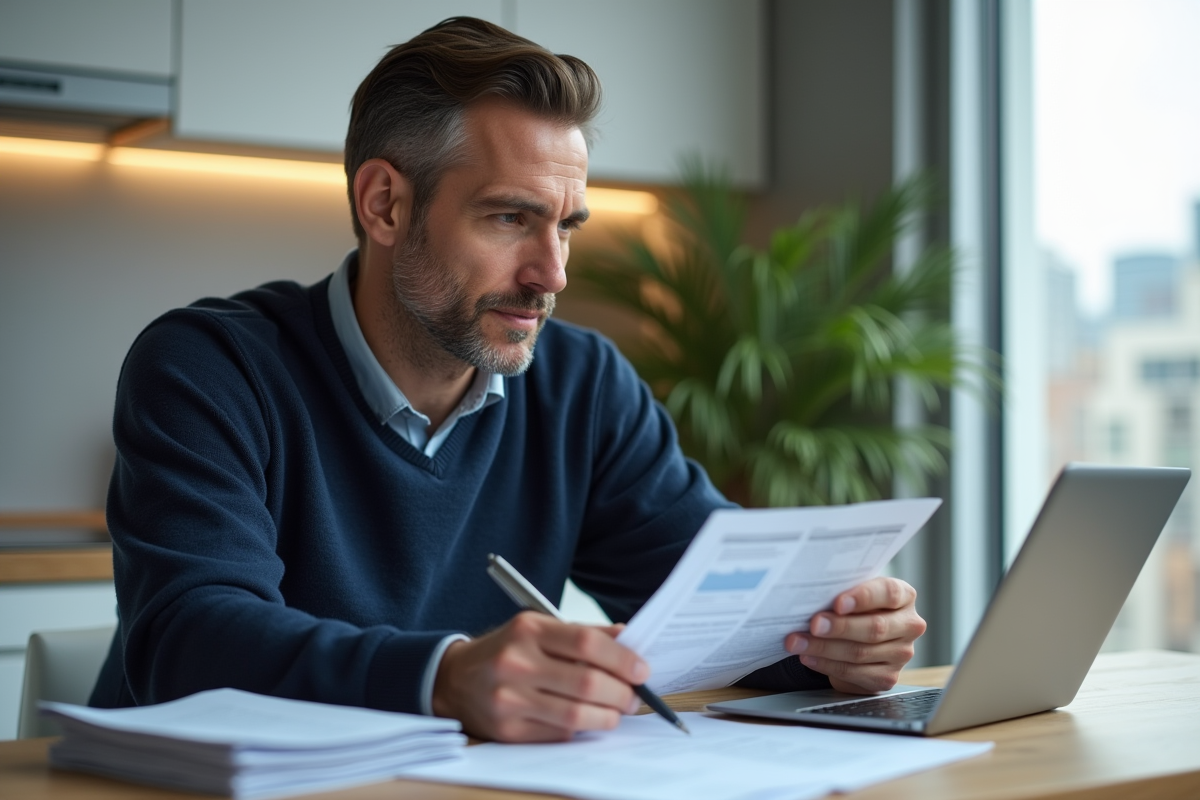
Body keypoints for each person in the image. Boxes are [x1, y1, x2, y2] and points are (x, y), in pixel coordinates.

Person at [90, 17, 926, 743]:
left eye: (566, 226)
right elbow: (188, 643)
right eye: (509, 218)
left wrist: (829, 643)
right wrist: (446, 677)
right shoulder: (210, 368)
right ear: (384, 205)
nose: (551, 274)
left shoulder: (582, 385)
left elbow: (723, 605)